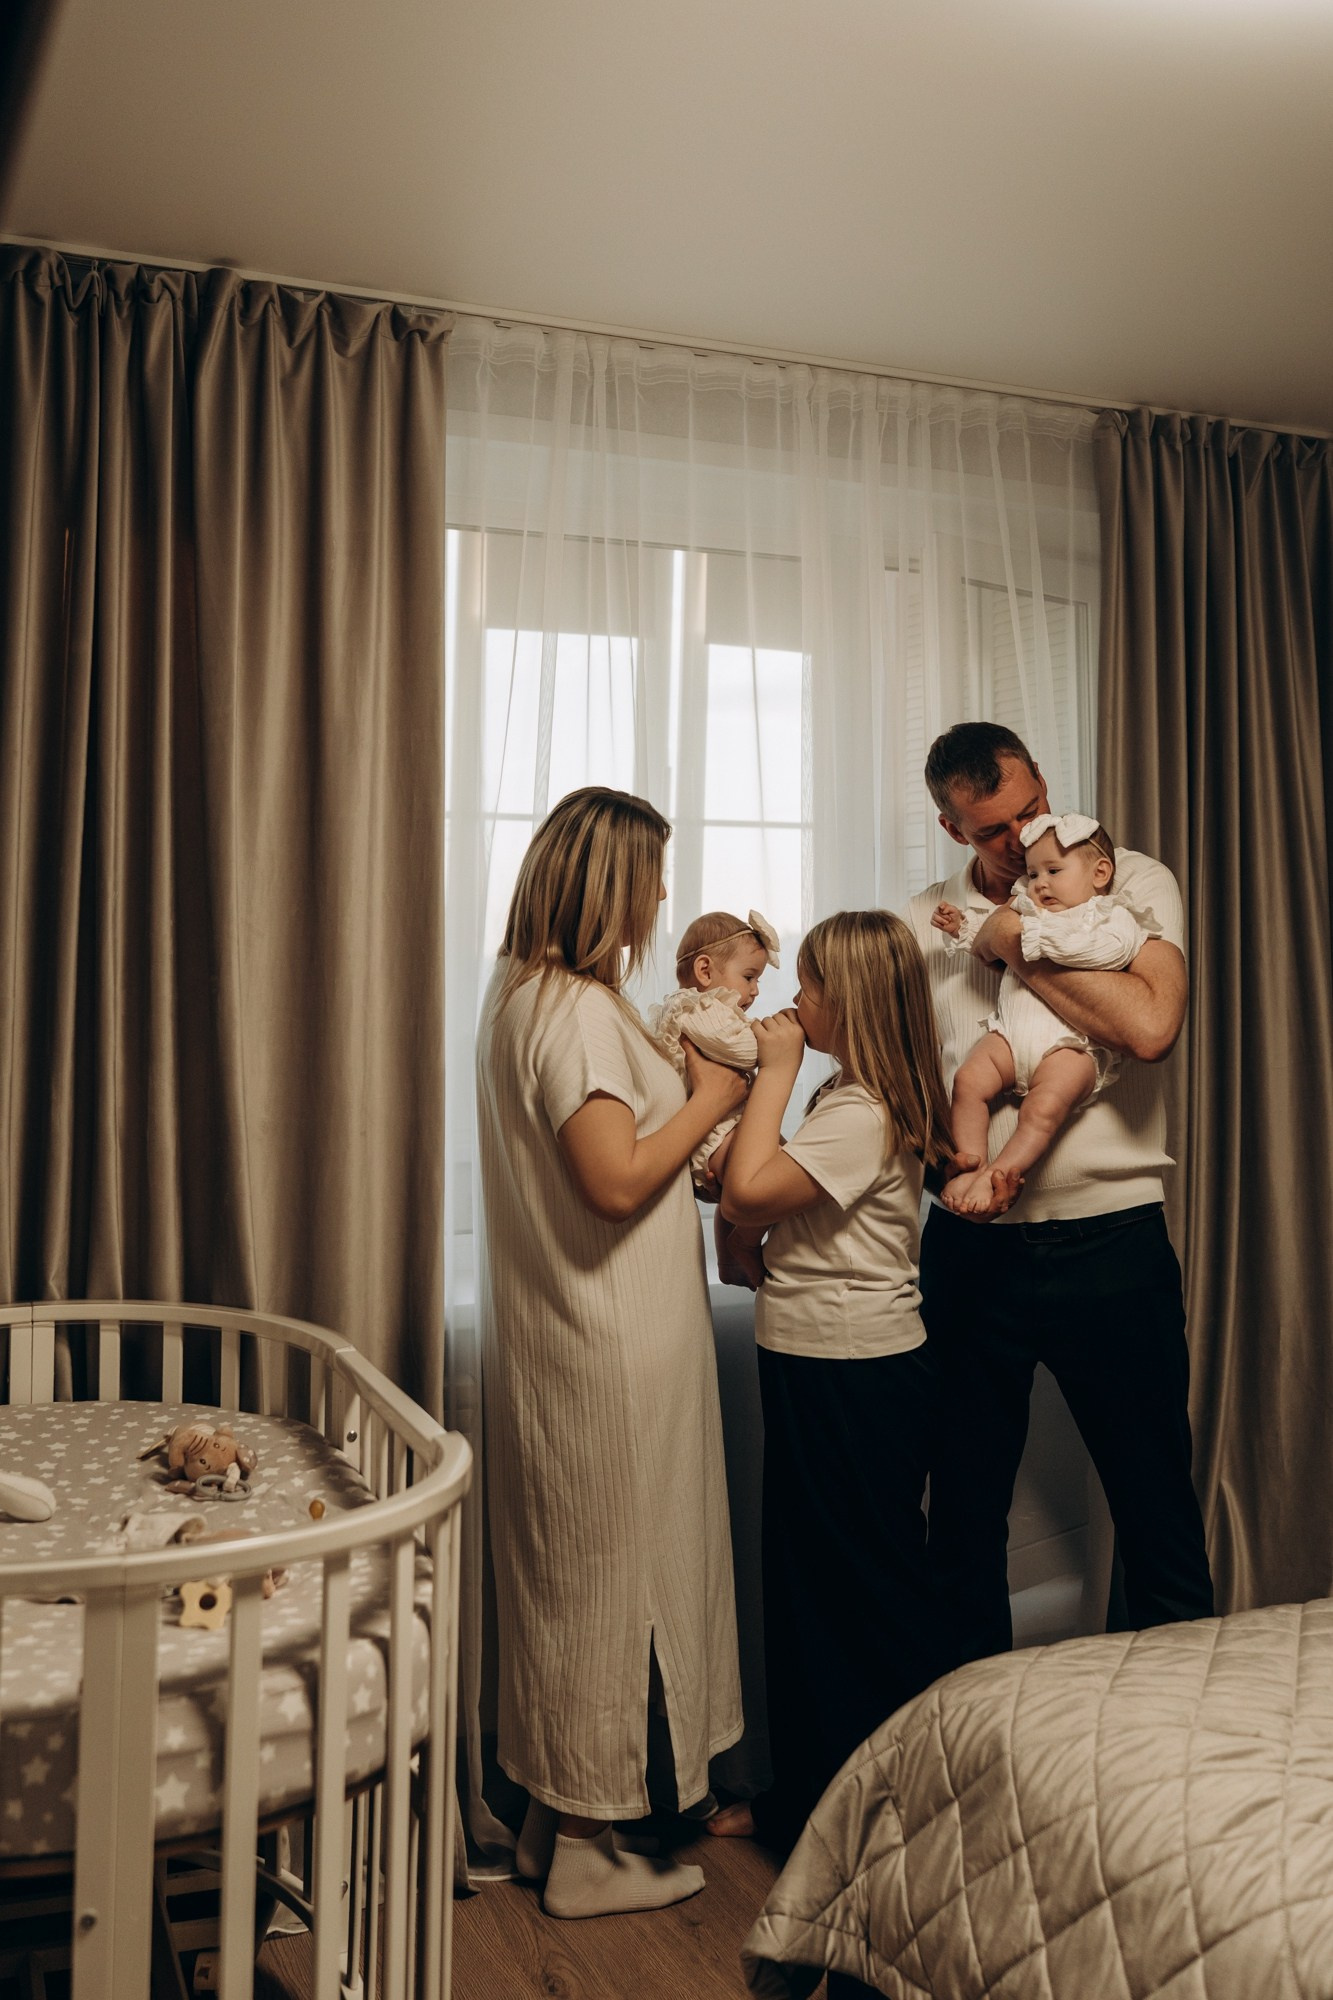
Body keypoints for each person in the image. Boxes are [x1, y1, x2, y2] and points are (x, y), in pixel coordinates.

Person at [475, 785, 746, 1919]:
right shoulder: (578, 1014)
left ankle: (553, 1823)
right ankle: (587, 1844)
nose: (664, 896)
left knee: (573, 1582)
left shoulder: (520, 997)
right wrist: (716, 1092)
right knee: (613, 1589)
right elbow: (615, 1179)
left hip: (568, 1338)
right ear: (609, 885)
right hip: (610, 1345)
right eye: (652, 876)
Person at [906, 722, 1213, 1672]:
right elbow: (904, 1077)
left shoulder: (1127, 880)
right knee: (960, 1519)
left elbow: (1150, 1026)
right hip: (968, 1251)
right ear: (953, 829)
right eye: (993, 830)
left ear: (1042, 781)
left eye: (1031, 809)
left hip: (1109, 1241)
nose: (1021, 839)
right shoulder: (921, 920)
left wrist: (1012, 939)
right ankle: (968, 1738)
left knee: (1155, 1506)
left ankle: (1183, 1728)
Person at [707, 910, 953, 1852]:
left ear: (845, 1000)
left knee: (859, 1593)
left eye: (806, 986)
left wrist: (769, 1074)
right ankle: (810, 1797)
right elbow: (753, 1197)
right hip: (816, 1355)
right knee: (812, 1588)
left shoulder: (861, 1111)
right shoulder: (843, 1094)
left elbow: (748, 1191)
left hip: (856, 1367)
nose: (790, 1001)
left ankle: (888, 1807)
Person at [933, 810, 1158, 1214]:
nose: (1040, 883)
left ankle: (999, 1173)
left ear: (1100, 873)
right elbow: (991, 943)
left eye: (1053, 871)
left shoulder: (1111, 916)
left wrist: (1038, 937)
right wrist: (963, 928)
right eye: (1033, 874)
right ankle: (971, 1165)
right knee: (968, 1081)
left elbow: (1111, 953)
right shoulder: (1026, 913)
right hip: (1010, 1033)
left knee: (1044, 1109)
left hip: (1070, 1046)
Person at [649, 907, 781, 1189]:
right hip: (714, 1133)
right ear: (705, 971)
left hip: (723, 1124)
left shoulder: (709, 1012)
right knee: (766, 1176)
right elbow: (742, 1049)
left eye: (757, 980)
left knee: (778, 1159)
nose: (755, 990)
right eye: (749, 977)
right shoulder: (692, 1007)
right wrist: (776, 1041)